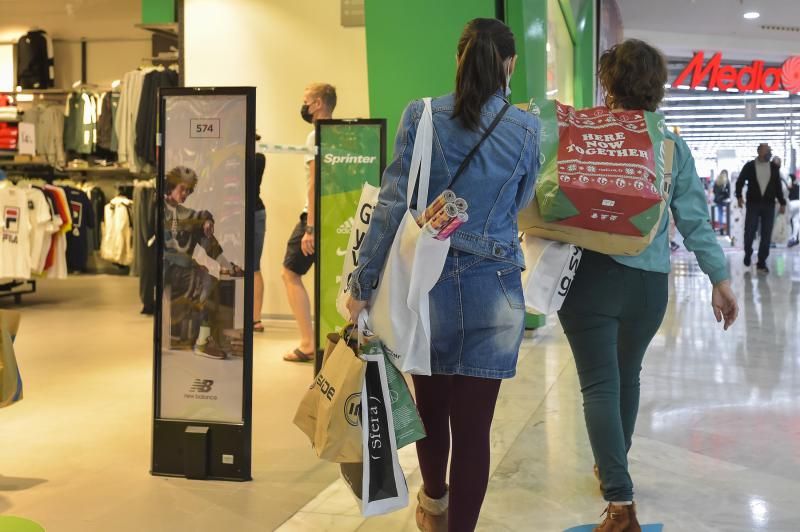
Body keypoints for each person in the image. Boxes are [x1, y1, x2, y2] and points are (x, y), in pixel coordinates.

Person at [346, 18, 539, 532]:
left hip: (427, 284)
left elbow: (392, 205)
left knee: (432, 413)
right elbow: (519, 203)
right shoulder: (527, 127)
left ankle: (433, 504)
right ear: (510, 65)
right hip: (496, 288)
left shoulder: (422, 115)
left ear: (459, 59)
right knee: (475, 428)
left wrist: (362, 285)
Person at [557, 39, 739, 531]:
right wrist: (719, 280)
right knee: (627, 375)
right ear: (656, 87)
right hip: (648, 284)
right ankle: (613, 464)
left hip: (589, 277)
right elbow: (696, 222)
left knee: (599, 383)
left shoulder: (582, 132)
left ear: (608, 83)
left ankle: (619, 501)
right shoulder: (671, 145)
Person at [164, 166, 243, 359]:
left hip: (186, 273)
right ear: (172, 185)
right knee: (207, 282)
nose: (185, 194)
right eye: (182, 189)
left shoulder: (189, 215)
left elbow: (208, 238)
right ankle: (200, 341)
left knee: (212, 280)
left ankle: (203, 341)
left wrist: (207, 220)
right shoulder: (156, 209)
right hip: (168, 271)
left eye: (189, 191)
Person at [281, 83, 336, 362]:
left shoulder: (316, 135)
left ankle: (307, 343)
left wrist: (310, 227)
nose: (303, 106)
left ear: (316, 103)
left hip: (313, 217)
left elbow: (316, 181)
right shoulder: (341, 133)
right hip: (334, 214)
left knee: (289, 272)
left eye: (306, 101)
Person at [735, 144, 787, 273]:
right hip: (753, 204)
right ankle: (748, 253)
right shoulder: (749, 166)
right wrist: (739, 196)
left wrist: (782, 203)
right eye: (766, 150)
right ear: (759, 151)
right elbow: (740, 181)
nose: (769, 152)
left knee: (766, 233)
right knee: (750, 231)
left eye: (769, 150)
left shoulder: (774, 168)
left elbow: (778, 187)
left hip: (769, 204)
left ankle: (761, 262)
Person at [253, 134, 267, 332]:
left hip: (254, 213)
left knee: (254, 266)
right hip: (233, 214)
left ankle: (256, 318)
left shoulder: (258, 158)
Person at [712, 169, 730, 235]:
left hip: (718, 200)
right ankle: (728, 229)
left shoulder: (717, 180)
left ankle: (721, 227)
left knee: (720, 214)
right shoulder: (727, 181)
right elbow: (729, 192)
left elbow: (714, 191)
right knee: (728, 214)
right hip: (725, 200)